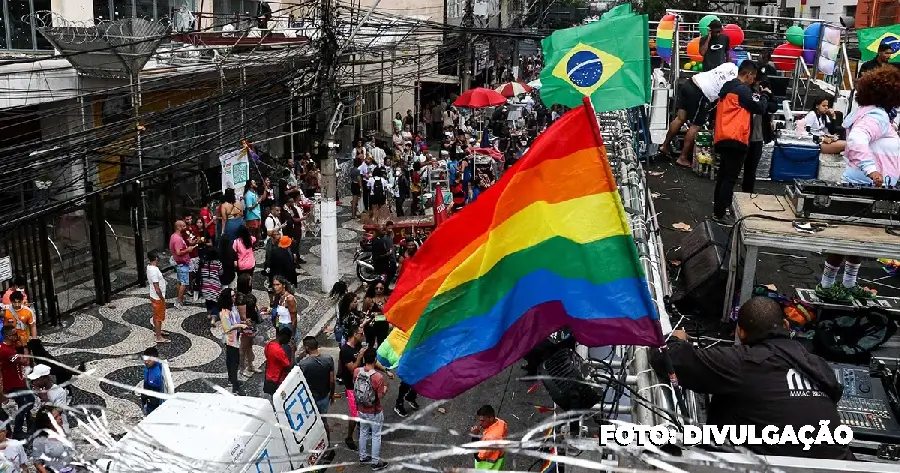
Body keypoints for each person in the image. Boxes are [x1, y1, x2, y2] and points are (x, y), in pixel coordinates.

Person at [649, 297, 854, 460]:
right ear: (786, 325)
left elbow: (665, 358)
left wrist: (677, 338)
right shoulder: (818, 365)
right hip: (838, 463)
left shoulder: (742, 363)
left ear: (741, 332)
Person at [816, 66, 900, 303]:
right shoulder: (877, 117)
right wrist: (872, 170)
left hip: (872, 188)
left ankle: (848, 283)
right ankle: (826, 285)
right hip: (864, 187)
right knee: (847, 239)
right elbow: (856, 139)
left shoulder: (876, 114)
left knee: (860, 240)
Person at [711, 60, 770, 222]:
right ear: (748, 75)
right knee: (729, 178)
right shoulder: (742, 90)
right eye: (753, 77)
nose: (753, 81)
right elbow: (760, 107)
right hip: (736, 137)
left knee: (723, 176)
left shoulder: (728, 87)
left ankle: (718, 210)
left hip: (723, 135)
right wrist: (765, 94)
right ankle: (721, 213)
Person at [660, 62, 738, 167]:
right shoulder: (736, 82)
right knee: (695, 126)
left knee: (680, 118)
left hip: (690, 83)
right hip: (701, 93)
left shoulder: (729, 65)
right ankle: (682, 157)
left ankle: (664, 146)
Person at [354, 347, 389, 471]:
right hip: (374, 411)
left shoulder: (357, 371)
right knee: (376, 435)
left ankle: (362, 456)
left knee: (363, 432)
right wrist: (385, 388)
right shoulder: (378, 377)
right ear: (375, 360)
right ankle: (375, 462)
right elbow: (380, 396)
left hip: (360, 409)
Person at [298, 336, 335, 438]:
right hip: (324, 397)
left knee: (312, 423)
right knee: (324, 421)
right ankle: (327, 441)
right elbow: (332, 381)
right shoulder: (328, 359)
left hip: (310, 398)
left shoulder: (303, 364)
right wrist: (331, 395)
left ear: (307, 348)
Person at [0, 326, 32, 440]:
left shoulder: (8, 347)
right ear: (9, 336)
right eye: (14, 334)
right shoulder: (6, 350)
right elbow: (26, 361)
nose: (17, 336)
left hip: (18, 381)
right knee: (25, 404)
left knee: (30, 400)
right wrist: (25, 345)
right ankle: (18, 431)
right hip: (13, 384)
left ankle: (28, 423)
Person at [219, 288, 247, 394]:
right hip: (231, 340)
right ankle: (235, 387)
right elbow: (227, 328)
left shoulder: (233, 307)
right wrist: (240, 325)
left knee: (231, 360)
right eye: (232, 296)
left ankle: (232, 380)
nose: (234, 297)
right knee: (234, 362)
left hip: (235, 337)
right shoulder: (224, 313)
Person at [30, 407, 75, 473]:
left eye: (59, 415)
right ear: (47, 422)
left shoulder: (65, 433)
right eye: (56, 417)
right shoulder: (40, 441)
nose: (60, 418)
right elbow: (37, 463)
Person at [27, 364, 70, 433]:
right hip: (39, 429)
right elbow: (33, 411)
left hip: (57, 430)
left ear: (45, 378)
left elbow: (57, 413)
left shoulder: (59, 392)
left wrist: (45, 398)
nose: (33, 383)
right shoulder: (36, 390)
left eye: (36, 380)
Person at [235, 274, 261, 378]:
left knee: (249, 346)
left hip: (252, 323)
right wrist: (247, 323)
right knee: (243, 348)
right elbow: (243, 315)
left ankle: (250, 365)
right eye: (250, 280)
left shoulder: (247, 293)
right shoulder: (240, 297)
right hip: (247, 325)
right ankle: (241, 369)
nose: (252, 281)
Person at [470, 404, 508, 470]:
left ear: (491, 419)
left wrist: (475, 436)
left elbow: (478, 457)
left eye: (482, 421)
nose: (480, 423)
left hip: (488, 466)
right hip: (499, 458)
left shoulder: (491, 439)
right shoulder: (501, 422)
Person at [169, 220, 196, 310]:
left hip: (181, 263)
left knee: (180, 282)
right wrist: (188, 250)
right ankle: (179, 301)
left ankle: (180, 298)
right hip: (182, 264)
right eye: (184, 226)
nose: (186, 228)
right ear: (178, 227)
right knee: (183, 283)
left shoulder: (175, 236)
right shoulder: (177, 239)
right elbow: (178, 252)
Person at [146, 250, 169, 344]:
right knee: (158, 317)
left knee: (157, 315)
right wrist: (162, 298)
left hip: (154, 296)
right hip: (157, 297)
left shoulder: (150, 267)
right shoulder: (154, 271)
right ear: (156, 258)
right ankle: (159, 337)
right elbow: (157, 288)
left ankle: (158, 331)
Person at [272, 276, 299, 354]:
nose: (275, 287)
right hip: (280, 328)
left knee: (288, 354)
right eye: (274, 285)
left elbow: (294, 319)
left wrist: (292, 336)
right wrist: (277, 328)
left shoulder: (289, 299)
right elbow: (278, 315)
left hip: (288, 329)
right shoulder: (279, 297)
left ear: (283, 285)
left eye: (277, 285)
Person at [263, 327, 293, 398]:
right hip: (278, 381)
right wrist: (292, 351)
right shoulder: (279, 351)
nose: (288, 341)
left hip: (268, 377)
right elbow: (289, 367)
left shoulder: (269, 344)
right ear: (284, 337)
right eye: (288, 339)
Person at [141, 346, 165, 415]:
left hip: (153, 401)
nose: (146, 362)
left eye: (149, 360)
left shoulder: (156, 374)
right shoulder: (148, 366)